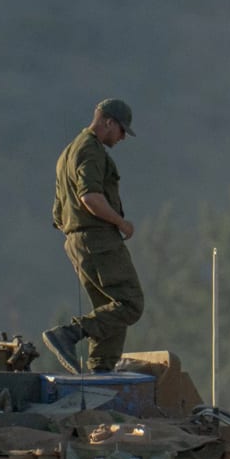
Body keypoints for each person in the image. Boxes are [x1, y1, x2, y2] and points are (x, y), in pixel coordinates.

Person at [42, 99, 144, 375]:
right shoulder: (90, 150)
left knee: (109, 311)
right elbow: (90, 197)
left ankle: (101, 371)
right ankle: (69, 333)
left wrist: (77, 237)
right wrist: (121, 223)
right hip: (97, 239)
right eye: (121, 130)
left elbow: (58, 213)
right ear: (108, 122)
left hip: (78, 241)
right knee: (130, 304)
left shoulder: (68, 153)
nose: (122, 137)